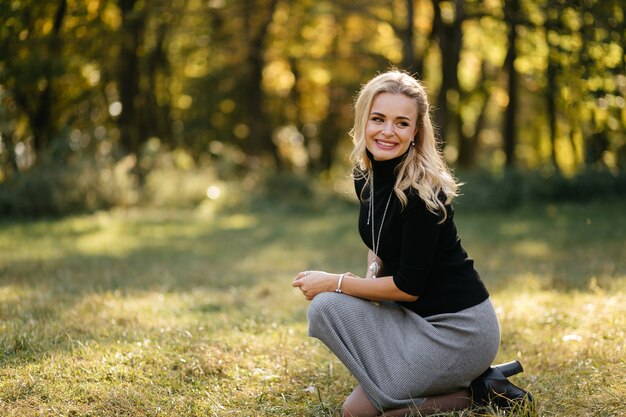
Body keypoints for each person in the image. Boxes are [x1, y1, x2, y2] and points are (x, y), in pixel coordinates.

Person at [292, 70, 533, 417]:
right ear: (364, 121)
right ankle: (468, 385)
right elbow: (379, 237)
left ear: (416, 131)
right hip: (411, 318)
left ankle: (481, 391)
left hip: (459, 330)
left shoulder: (423, 192)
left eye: (401, 123)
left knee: (356, 403)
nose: (388, 132)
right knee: (352, 396)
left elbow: (409, 286)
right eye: (378, 119)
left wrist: (338, 283)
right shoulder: (366, 174)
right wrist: (366, 282)